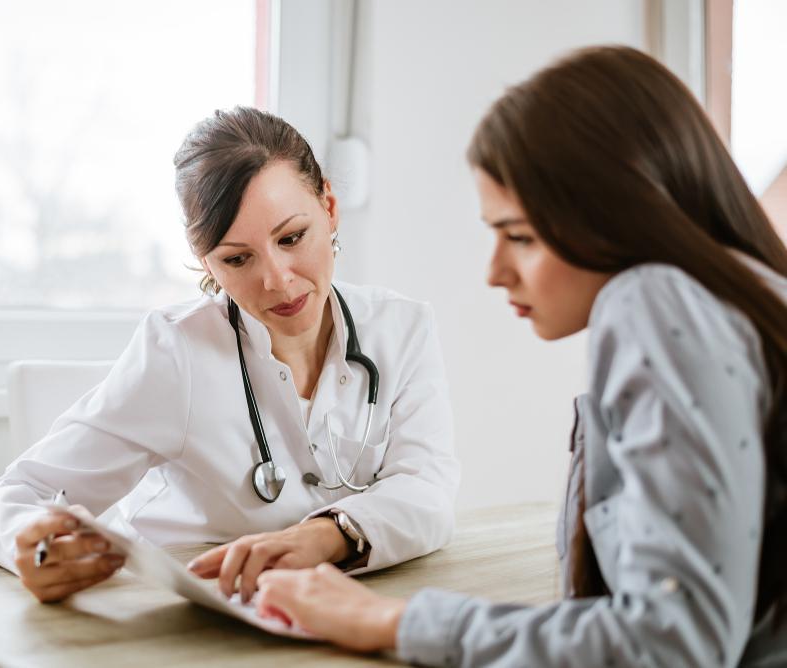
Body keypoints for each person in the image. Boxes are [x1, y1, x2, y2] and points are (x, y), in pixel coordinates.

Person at [251, 46, 787, 667]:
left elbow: (671, 643)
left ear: (623, 213)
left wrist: (393, 620)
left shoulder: (653, 300)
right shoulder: (752, 293)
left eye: (520, 236)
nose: (495, 272)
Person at [0, 106, 460, 605]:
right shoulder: (176, 351)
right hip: (183, 618)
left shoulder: (402, 328)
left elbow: (429, 490)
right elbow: (9, 498)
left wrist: (328, 535)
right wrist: (28, 545)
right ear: (205, 260)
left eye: (292, 237)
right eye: (236, 258)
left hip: (331, 615)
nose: (277, 279)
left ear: (329, 206)